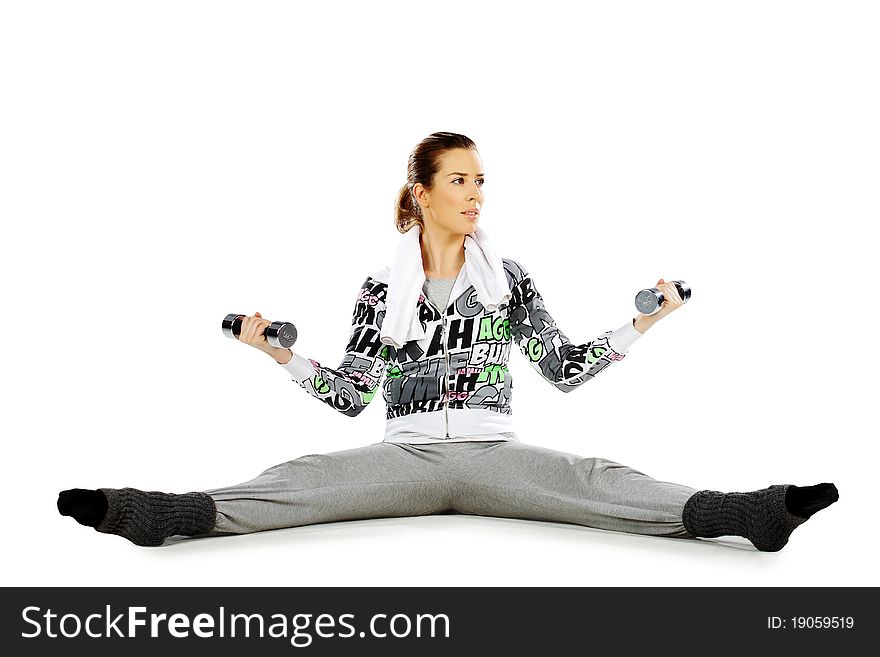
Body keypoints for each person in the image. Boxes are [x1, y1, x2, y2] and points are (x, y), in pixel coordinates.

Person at [57, 131, 838, 550]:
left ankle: (748, 512)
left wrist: (643, 322)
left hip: (498, 456)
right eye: (460, 179)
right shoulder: (380, 288)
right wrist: (279, 353)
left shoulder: (510, 278)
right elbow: (350, 396)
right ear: (421, 191)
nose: (476, 193)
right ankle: (153, 512)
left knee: (599, 480)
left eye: (482, 180)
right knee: (298, 481)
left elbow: (562, 369)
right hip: (403, 458)